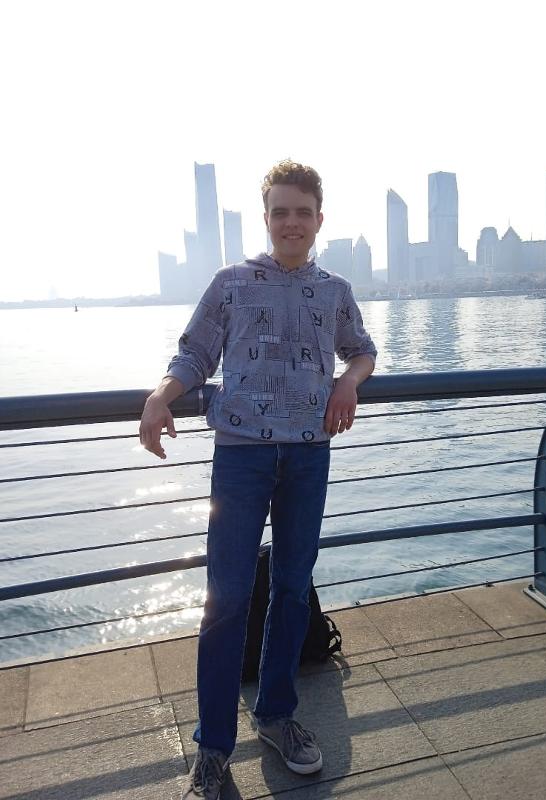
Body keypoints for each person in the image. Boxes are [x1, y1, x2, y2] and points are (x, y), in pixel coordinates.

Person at [139, 160, 377, 799]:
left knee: (293, 589)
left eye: (302, 212)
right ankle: (213, 748)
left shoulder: (334, 290)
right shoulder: (232, 283)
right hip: (242, 456)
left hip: (309, 456)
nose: (291, 222)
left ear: (319, 219)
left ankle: (276, 715)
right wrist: (161, 397)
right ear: (266, 218)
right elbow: (194, 354)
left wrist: (348, 383)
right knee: (227, 598)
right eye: (280, 212)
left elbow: (362, 349)